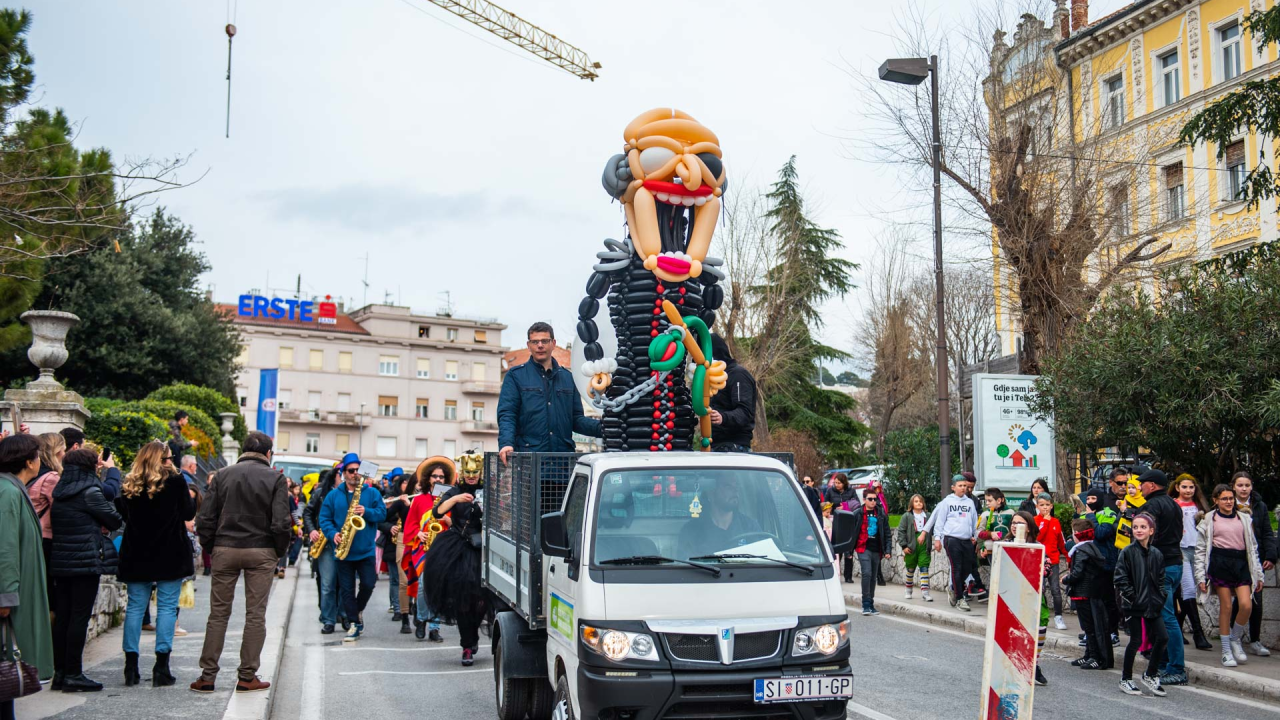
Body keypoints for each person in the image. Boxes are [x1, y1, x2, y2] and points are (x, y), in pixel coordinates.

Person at [191, 431, 290, 693]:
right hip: (261, 550)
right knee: (255, 614)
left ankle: (207, 676)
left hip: (225, 548)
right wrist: (278, 551)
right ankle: (247, 676)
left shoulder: (222, 475)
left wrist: (210, 546)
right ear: (269, 454)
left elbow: (205, 518)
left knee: (218, 614)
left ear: (244, 450)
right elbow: (281, 522)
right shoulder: (276, 478)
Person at [115, 441, 198, 688]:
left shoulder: (130, 483)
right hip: (170, 552)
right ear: (161, 460)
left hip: (137, 552)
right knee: (167, 607)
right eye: (169, 458)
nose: (172, 461)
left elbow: (124, 513)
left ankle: (131, 667)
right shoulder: (175, 482)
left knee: (135, 608)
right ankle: (162, 666)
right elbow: (188, 513)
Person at [48, 447, 122, 692]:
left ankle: (60, 673)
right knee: (79, 617)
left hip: (61, 562)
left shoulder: (60, 491)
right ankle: (74, 674)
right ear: (91, 467)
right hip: (85, 562)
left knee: (64, 617)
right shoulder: (90, 492)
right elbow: (113, 519)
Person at [0, 432, 54, 720]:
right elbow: (5, 546)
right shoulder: (7, 491)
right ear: (29, 461)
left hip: (13, 592)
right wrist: (6, 594)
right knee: (5, 664)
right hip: (8, 597)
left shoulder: (11, 488)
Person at [497, 322, 601, 463]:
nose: (540, 345)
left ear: (553, 343)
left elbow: (576, 420)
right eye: (535, 342)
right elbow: (507, 415)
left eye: (545, 341)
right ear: (529, 345)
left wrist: (606, 428)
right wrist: (506, 443)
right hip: (529, 464)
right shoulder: (515, 376)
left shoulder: (568, 378)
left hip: (562, 465)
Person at [1194, 483, 1266, 668]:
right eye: (1224, 499)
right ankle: (1226, 650)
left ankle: (1235, 638)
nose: (1228, 502)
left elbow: (1253, 548)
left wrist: (1258, 575)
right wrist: (1201, 577)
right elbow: (1200, 551)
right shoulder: (1209, 520)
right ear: (1216, 500)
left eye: (1230, 498)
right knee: (1226, 606)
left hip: (1241, 563)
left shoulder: (1244, 518)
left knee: (1246, 605)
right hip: (1220, 563)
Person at [420, 467, 487, 665]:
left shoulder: (488, 489)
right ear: (462, 474)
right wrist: (456, 500)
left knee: (483, 598)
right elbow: (437, 511)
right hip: (458, 548)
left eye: (475, 473)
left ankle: (472, 634)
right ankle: (467, 645)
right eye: (468, 473)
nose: (472, 476)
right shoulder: (454, 491)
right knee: (463, 598)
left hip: (482, 546)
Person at [320, 455, 387, 643]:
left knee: (368, 583)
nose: (355, 473)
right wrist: (333, 534)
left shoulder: (372, 493)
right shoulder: (333, 495)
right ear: (343, 473)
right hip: (343, 550)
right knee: (347, 590)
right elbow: (324, 519)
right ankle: (353, 624)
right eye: (351, 470)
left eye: (358, 470)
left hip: (365, 549)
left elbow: (382, 514)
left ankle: (357, 610)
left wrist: (367, 511)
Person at [1136, 468, 1187, 685]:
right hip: (1175, 564)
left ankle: (1176, 668)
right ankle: (1165, 663)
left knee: (1167, 618)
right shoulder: (1174, 504)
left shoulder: (1150, 506)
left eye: (1143, 483)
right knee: (1163, 616)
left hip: (1160, 567)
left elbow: (1146, 537)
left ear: (1153, 486)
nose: (1139, 487)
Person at [1114, 513, 1169, 697]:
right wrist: (1132, 596)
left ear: (1151, 531)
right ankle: (1126, 679)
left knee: (1162, 637)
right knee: (1136, 640)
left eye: (1143, 527)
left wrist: (1161, 597)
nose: (1138, 530)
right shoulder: (1127, 552)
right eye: (1135, 527)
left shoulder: (1156, 553)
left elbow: (1161, 579)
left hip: (1153, 604)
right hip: (1134, 605)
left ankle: (1150, 674)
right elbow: (1120, 577)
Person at [405, 457, 455, 642]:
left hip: (443, 548)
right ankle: (420, 619)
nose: (438, 479)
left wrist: (451, 522)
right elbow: (409, 526)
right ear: (428, 478)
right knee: (423, 587)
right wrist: (418, 534)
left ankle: (434, 627)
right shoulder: (419, 500)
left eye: (442, 477)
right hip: (423, 549)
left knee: (438, 588)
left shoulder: (451, 500)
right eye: (434, 476)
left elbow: (458, 526)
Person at [1228, 471, 1276, 659]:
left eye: (1247, 485)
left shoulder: (1260, 506)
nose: (1244, 489)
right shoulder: (1228, 504)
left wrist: (1271, 556)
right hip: (1234, 559)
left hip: (1255, 558)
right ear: (1233, 486)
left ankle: (1255, 640)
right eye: (1240, 485)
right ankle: (1234, 638)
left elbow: (1266, 532)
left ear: (1252, 486)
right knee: (1238, 601)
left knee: (1256, 601)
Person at [922, 474, 979, 611]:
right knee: (956, 567)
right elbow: (939, 521)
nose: (963, 488)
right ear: (953, 487)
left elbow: (974, 521)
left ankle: (954, 587)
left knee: (968, 567)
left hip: (966, 540)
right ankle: (960, 598)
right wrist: (937, 539)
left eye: (965, 486)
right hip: (951, 539)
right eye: (960, 485)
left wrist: (975, 536)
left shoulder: (969, 503)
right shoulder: (947, 502)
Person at [1169, 473, 1211, 651]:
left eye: (1191, 487)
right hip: (1181, 550)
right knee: (1187, 589)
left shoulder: (1200, 506)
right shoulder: (1173, 505)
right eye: (1184, 487)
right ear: (1177, 487)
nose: (1188, 490)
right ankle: (1198, 633)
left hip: (1199, 550)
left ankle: (1179, 628)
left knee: (1189, 591)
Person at [1064, 518, 1112, 671]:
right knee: (1090, 626)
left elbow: (1077, 573)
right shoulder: (1092, 548)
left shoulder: (1081, 551)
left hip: (1083, 593)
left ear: (1077, 534)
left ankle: (1094, 657)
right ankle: (1089, 654)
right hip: (1090, 592)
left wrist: (1065, 579)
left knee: (1089, 627)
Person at [676, 476, 762, 560]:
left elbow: (763, 562)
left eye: (736, 485)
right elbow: (685, 567)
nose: (735, 490)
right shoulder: (692, 530)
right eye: (728, 486)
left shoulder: (750, 527)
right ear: (711, 493)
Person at [303, 461, 344, 632]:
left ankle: (343, 615)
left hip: (344, 542)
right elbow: (308, 512)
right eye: (342, 474)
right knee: (327, 583)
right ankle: (328, 618)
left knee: (344, 583)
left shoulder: (351, 494)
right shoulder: (320, 492)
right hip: (325, 543)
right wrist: (312, 530)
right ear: (335, 476)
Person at [27, 433, 64, 597]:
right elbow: (59, 509)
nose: (65, 454)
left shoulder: (31, 473)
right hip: (45, 537)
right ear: (56, 452)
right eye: (63, 449)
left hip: (30, 535)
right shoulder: (51, 477)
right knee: (47, 590)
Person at [378, 468, 414, 634]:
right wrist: (390, 527)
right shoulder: (399, 502)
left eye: (409, 482)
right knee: (402, 580)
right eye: (404, 482)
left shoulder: (419, 500)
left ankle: (421, 618)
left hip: (419, 540)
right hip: (402, 539)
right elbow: (382, 519)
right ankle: (404, 615)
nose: (406, 485)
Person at [707, 333, 756, 452]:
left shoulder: (737, 375)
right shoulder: (712, 379)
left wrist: (723, 417)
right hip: (715, 444)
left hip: (734, 446)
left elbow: (744, 411)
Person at [850, 487, 888, 616]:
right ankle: (865, 604)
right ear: (864, 500)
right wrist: (848, 551)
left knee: (873, 577)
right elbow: (851, 533)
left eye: (875, 499)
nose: (873, 502)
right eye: (870, 499)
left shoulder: (881, 513)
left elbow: (887, 533)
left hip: (876, 549)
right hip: (863, 547)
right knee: (866, 573)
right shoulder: (858, 513)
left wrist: (887, 550)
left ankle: (871, 603)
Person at [1033, 493, 1068, 629]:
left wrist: (1068, 556)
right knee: (1039, 589)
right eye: (1042, 505)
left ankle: (1058, 616)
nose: (1045, 508)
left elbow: (1061, 541)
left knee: (1055, 590)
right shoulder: (1035, 520)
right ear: (1037, 506)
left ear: (1051, 506)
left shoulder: (1056, 522)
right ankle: (1040, 614)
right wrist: (1045, 522)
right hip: (1039, 560)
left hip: (1053, 560)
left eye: (1047, 505)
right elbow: (1039, 536)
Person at [976, 488, 1014, 595]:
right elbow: (979, 533)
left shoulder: (1011, 513)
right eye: (986, 501)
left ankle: (1008, 594)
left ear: (999, 500)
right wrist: (990, 534)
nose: (987, 503)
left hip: (1008, 548)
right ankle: (997, 595)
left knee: (1008, 573)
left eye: (990, 500)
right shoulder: (984, 515)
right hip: (992, 549)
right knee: (996, 572)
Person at [896, 494, 932, 602]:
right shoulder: (907, 516)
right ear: (912, 504)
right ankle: (908, 590)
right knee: (910, 569)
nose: (918, 503)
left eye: (920, 501)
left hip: (924, 544)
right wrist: (904, 546)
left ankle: (925, 593)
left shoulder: (928, 515)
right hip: (911, 545)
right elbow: (901, 531)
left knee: (924, 567)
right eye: (916, 501)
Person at [823, 473, 857, 583]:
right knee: (837, 550)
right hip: (835, 521)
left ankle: (848, 576)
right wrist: (831, 510)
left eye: (839, 483)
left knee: (849, 550)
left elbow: (856, 504)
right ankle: (836, 573)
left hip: (847, 521)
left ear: (844, 483)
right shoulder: (830, 491)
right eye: (835, 483)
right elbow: (825, 504)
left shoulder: (851, 491)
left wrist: (845, 506)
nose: (836, 485)